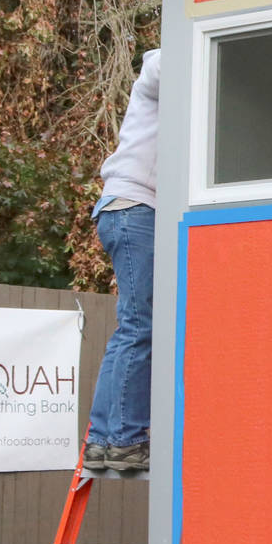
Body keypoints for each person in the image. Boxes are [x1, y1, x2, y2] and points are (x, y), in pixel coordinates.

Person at [85, 48, 160, 473]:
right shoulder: (160, 65)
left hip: (126, 210)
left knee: (131, 327)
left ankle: (102, 440)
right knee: (139, 327)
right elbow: (181, 62)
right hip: (135, 208)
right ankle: (127, 438)